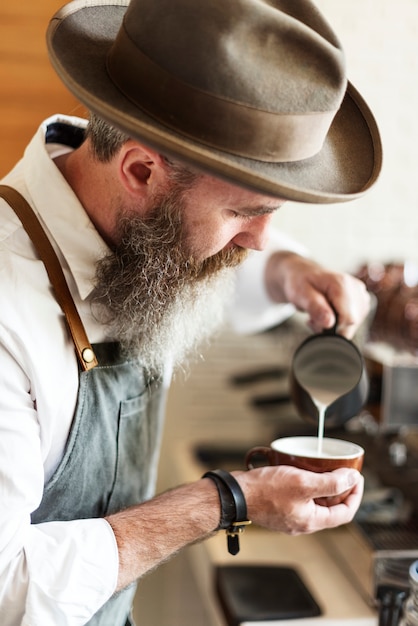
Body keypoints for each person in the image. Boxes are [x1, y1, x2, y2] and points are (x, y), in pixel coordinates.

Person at [0, 0, 382, 624]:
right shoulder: (6, 310)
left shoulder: (137, 230)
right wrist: (227, 501)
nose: (257, 239)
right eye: (244, 213)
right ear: (143, 170)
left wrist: (290, 270)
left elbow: (202, 247)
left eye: (274, 214)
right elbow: (8, 584)